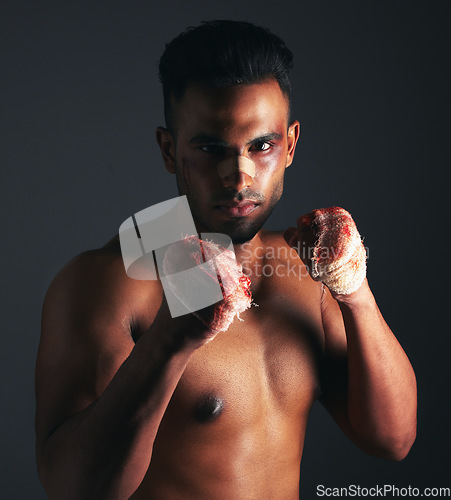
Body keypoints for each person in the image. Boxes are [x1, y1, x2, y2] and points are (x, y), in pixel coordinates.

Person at [35, 20, 417, 499]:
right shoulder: (110, 280)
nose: (238, 177)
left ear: (291, 145)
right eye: (211, 148)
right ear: (170, 150)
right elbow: (74, 490)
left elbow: (393, 440)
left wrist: (355, 291)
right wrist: (170, 342)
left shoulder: (307, 270)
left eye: (261, 146)